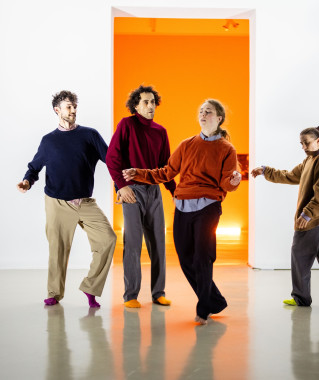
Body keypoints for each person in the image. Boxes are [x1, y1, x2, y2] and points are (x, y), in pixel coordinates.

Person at [123, 99, 242, 324]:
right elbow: (166, 172)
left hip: (208, 206)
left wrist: (234, 180)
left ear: (219, 119)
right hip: (183, 206)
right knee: (186, 258)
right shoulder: (187, 144)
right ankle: (214, 300)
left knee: (202, 258)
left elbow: (227, 183)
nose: (203, 114)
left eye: (209, 111)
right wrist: (138, 173)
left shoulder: (227, 149)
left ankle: (203, 307)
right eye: (201, 111)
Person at [17, 90, 116, 308]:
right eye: (68, 107)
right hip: (57, 202)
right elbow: (34, 168)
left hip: (85, 202)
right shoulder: (48, 141)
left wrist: (120, 185)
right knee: (58, 249)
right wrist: (27, 182)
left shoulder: (89, 135)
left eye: (74, 106)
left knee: (107, 239)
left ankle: (90, 288)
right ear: (57, 110)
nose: (72, 110)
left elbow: (111, 160)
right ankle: (54, 293)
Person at [251, 126, 319, 310]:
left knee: (299, 255)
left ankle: (301, 298)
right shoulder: (311, 159)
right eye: (301, 143)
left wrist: (307, 213)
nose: (303, 146)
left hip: (315, 220)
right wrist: (265, 170)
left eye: (306, 142)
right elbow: (290, 176)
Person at [106, 85, 176, 308]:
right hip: (132, 191)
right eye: (145, 102)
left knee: (158, 244)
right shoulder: (126, 125)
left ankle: (158, 293)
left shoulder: (161, 132)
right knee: (133, 244)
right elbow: (112, 158)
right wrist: (121, 186)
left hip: (154, 191)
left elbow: (166, 167)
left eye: (153, 102)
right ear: (135, 106)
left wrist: (175, 192)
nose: (150, 105)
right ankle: (131, 295)